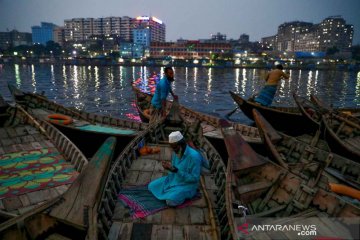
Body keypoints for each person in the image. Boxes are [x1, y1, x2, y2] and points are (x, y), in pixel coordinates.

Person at [148, 131, 202, 207]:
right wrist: (169, 168)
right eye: (172, 148)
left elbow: (194, 178)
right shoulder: (176, 152)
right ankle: (170, 192)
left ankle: (184, 194)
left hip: (187, 185)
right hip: (174, 179)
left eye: (175, 147)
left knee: (170, 201)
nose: (174, 150)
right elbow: (173, 170)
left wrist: (176, 170)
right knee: (151, 186)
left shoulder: (194, 157)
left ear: (182, 144)